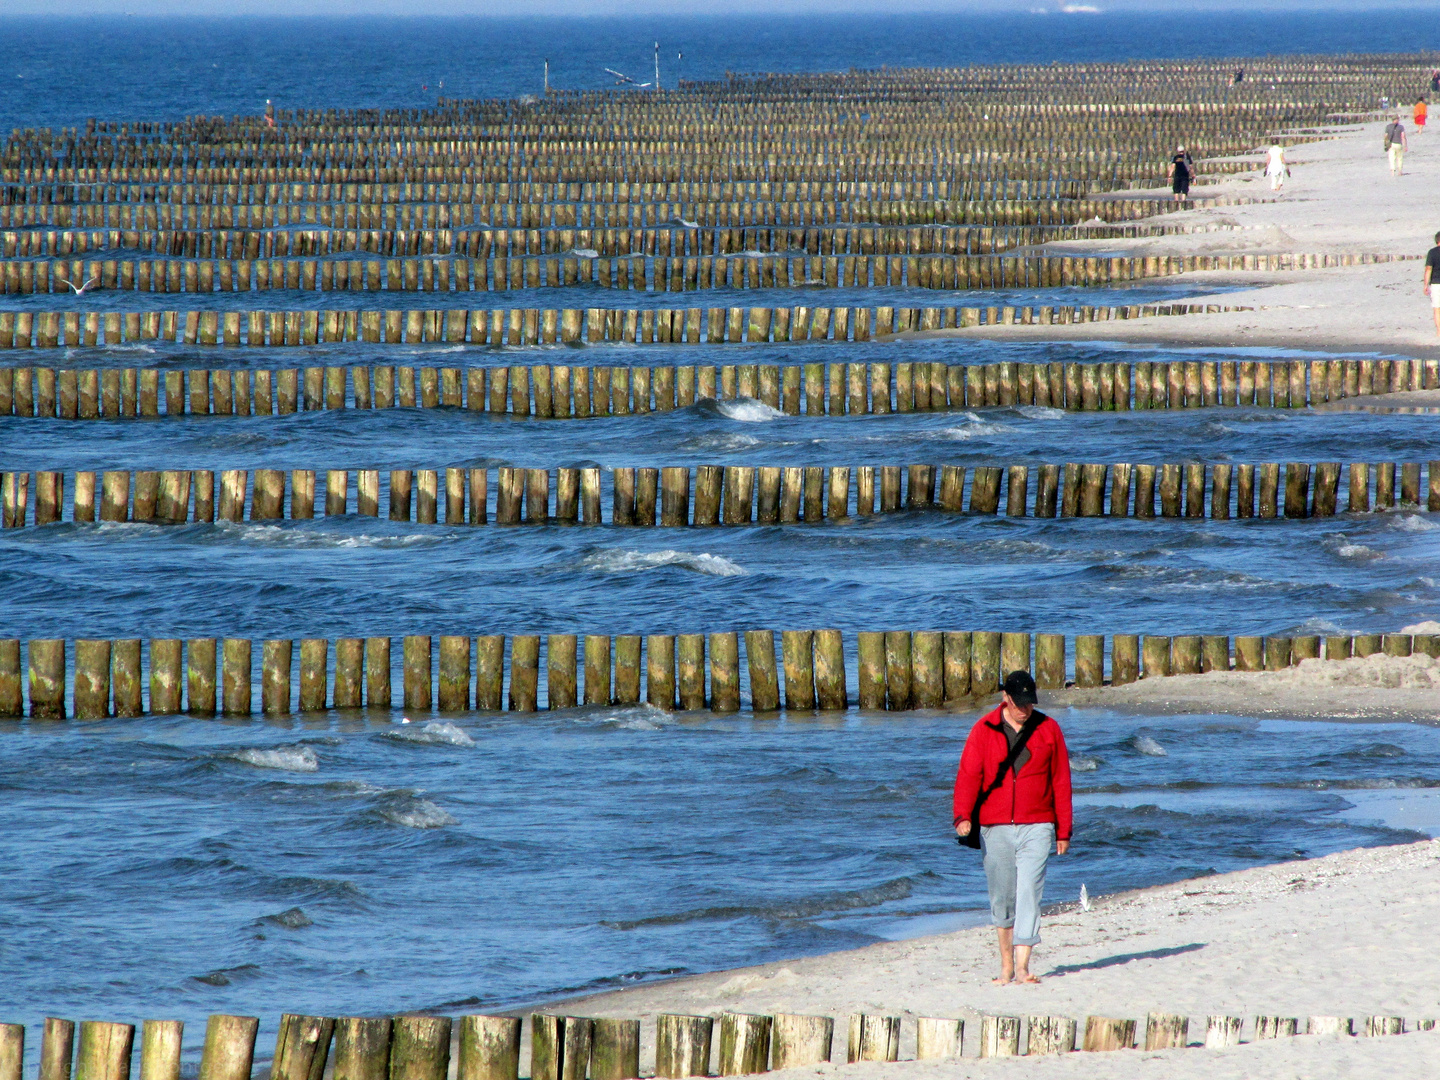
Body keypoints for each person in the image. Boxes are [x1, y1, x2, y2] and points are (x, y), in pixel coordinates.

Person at [953, 670, 1073, 986]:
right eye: (1019, 703)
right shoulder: (983, 730)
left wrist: (1063, 830)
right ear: (1005, 698)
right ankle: (1005, 965)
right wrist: (962, 816)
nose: (1025, 709)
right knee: (1003, 897)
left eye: (1029, 703)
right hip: (996, 825)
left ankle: (1022, 967)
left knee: (1029, 892)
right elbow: (968, 775)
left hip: (1038, 823)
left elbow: (1061, 780)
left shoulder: (1049, 729)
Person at [1425, 231, 1440, 338]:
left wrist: (1426, 284)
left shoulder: (1432, 252)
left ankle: (1439, 331)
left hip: (1436, 284)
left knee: (1437, 309)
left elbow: (1428, 268)